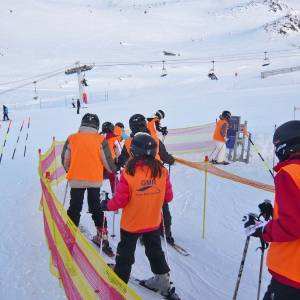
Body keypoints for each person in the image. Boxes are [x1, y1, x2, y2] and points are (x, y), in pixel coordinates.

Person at [100, 133, 179, 298]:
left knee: (126, 253)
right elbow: (168, 197)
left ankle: (119, 282)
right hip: (152, 221)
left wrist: (106, 205)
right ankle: (162, 280)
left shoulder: (129, 172)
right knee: (154, 250)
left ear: (134, 152)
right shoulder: (162, 171)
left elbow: (121, 200)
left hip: (132, 223)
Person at [243, 120, 300, 300]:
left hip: (292, 271)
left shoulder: (290, 172)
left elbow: (292, 226)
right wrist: (277, 211)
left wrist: (263, 230)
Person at [61, 113, 116, 256]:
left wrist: (69, 170)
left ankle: (69, 237)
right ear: (96, 126)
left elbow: (65, 159)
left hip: (76, 179)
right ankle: (102, 234)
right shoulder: (100, 139)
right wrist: (112, 170)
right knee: (95, 206)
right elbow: (108, 163)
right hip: (94, 180)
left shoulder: (72, 138)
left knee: (75, 207)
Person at [117, 114, 176, 245]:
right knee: (161, 204)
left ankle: (143, 232)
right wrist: (171, 160)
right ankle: (166, 232)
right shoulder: (154, 137)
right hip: (157, 175)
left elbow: (122, 159)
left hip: (137, 177)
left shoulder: (129, 142)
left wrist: (116, 165)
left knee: (140, 205)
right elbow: (164, 155)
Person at [101, 121, 122, 194]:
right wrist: (119, 161)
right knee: (113, 179)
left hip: (99, 163)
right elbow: (118, 151)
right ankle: (115, 193)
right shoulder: (114, 137)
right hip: (110, 163)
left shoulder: (98, 137)